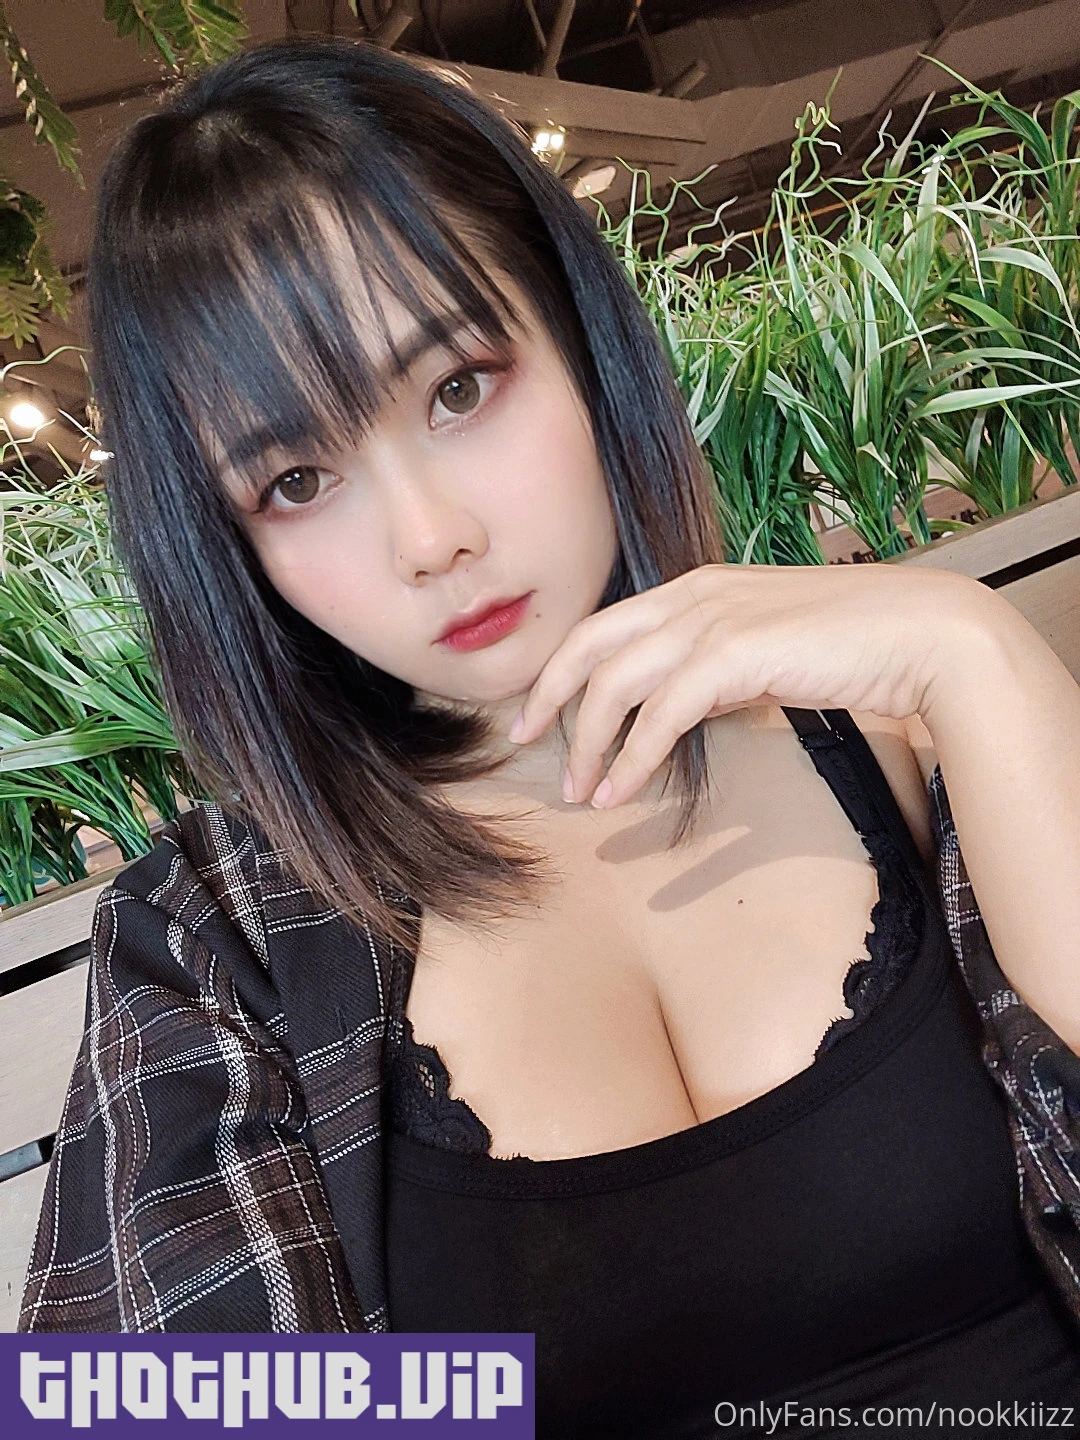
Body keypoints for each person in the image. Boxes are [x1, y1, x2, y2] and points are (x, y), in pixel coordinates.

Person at [17, 32, 1080, 1437]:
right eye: (297, 479)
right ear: (233, 551)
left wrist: (974, 649)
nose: (428, 537)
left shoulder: (902, 729)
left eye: (458, 388)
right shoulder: (218, 940)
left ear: (579, 339)